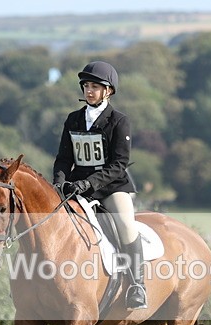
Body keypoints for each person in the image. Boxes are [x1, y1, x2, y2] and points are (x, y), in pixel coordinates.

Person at [53, 60, 147, 310]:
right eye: (86, 86)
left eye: (95, 87)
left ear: (108, 91)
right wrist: (59, 183)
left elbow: (119, 164)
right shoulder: (73, 119)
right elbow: (64, 158)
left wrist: (89, 183)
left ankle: (137, 285)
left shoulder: (119, 121)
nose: (89, 91)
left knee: (126, 225)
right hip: (77, 187)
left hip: (111, 186)